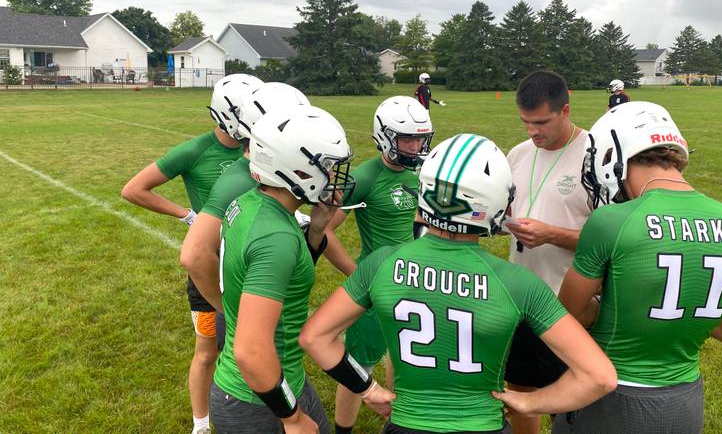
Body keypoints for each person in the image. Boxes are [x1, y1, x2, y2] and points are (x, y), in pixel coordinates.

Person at [300, 133, 617, 434]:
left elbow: (315, 337)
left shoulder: (382, 263)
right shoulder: (517, 282)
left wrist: (367, 389)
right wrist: (528, 402)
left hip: (408, 422)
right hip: (483, 423)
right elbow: (598, 376)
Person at [556, 101, 722, 433]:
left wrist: (610, 306)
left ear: (613, 154)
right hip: (684, 400)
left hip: (610, 394)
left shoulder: (611, 221)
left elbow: (565, 316)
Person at [121, 72, 260, 434]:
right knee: (208, 349)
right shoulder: (195, 151)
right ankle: (201, 425)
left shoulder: (263, 150)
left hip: (250, 260)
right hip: (210, 264)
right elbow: (134, 189)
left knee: (257, 340)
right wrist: (186, 215)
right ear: (228, 114)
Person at [209, 105, 356, 434]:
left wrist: (316, 231)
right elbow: (251, 349)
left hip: (273, 379)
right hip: (259, 395)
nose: (333, 175)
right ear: (297, 168)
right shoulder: (276, 235)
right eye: (327, 166)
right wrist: (291, 418)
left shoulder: (252, 201)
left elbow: (287, 274)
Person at [321, 95, 433, 434]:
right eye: (407, 138)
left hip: (410, 279)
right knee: (359, 364)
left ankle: (399, 418)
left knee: (403, 354)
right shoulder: (366, 177)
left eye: (420, 138)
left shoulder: (420, 172)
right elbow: (324, 229)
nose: (415, 146)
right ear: (385, 136)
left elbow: (417, 218)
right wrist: (359, 275)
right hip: (376, 280)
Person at [180, 82, 310, 347]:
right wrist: (224, 306)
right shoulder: (242, 179)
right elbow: (194, 253)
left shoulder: (261, 173)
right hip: (245, 306)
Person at [501, 71, 594, 434]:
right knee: (520, 389)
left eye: (540, 122)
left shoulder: (595, 158)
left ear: (565, 109)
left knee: (570, 394)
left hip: (571, 301)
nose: (532, 132)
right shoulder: (519, 154)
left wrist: (552, 235)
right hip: (522, 294)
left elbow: (614, 242)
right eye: (525, 122)